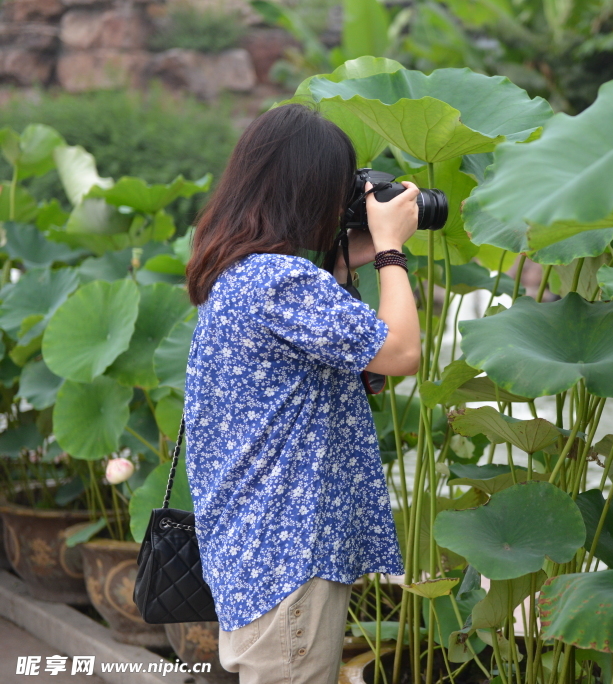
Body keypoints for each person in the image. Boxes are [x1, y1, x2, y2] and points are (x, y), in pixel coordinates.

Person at [182, 103, 419, 683]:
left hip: (259, 553)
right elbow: (400, 354)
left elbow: (328, 358)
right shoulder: (280, 280)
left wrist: (346, 260)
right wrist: (390, 250)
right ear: (311, 189)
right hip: (288, 558)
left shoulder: (244, 274)